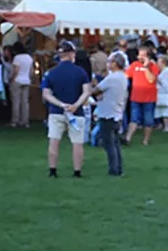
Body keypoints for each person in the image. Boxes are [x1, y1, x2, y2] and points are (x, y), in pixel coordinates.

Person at [41, 42, 93, 177]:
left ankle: (52, 170)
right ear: (71, 54)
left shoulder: (51, 73)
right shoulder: (80, 72)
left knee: (54, 141)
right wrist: (76, 105)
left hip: (56, 112)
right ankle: (77, 171)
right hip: (77, 113)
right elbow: (87, 91)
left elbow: (46, 94)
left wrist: (61, 104)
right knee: (77, 143)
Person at [94, 53, 129, 176]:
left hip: (108, 113)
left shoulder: (112, 78)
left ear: (115, 63)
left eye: (110, 61)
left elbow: (96, 89)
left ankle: (114, 169)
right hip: (117, 113)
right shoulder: (123, 77)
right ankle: (118, 167)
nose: (107, 64)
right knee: (115, 143)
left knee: (109, 144)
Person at [9, 46, 34, 128]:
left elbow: (16, 70)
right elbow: (31, 71)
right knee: (25, 102)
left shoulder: (17, 57)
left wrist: (11, 79)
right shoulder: (29, 57)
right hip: (26, 81)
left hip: (17, 80)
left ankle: (15, 121)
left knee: (16, 102)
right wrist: (29, 78)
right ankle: (25, 121)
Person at [153, 52, 168, 132]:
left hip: (166, 93)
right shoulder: (162, 71)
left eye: (158, 62)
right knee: (160, 110)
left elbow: (166, 83)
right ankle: (161, 125)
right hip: (160, 92)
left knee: (166, 110)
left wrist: (158, 79)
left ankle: (167, 126)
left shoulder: (167, 71)